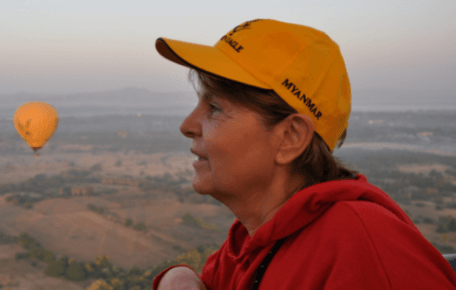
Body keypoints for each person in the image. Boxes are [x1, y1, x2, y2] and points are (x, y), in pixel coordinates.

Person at [152, 19, 456, 290]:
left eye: (215, 108)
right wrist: (175, 277)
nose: (187, 125)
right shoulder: (251, 242)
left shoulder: (361, 246)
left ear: (290, 138)